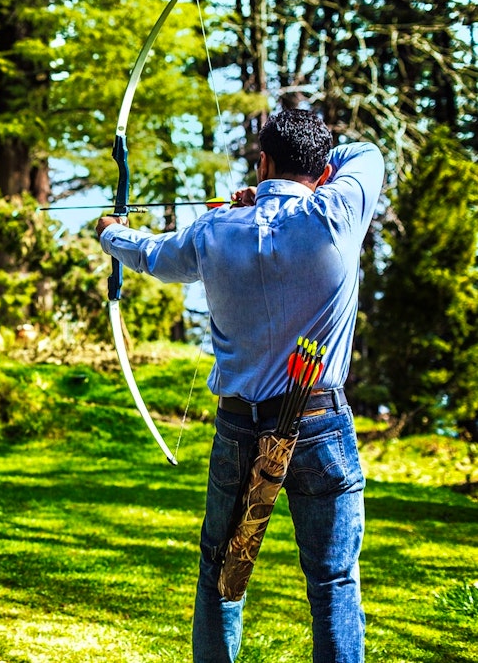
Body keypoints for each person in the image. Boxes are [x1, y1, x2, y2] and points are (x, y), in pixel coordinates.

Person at [95, 108, 384, 663]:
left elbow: (151, 254)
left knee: (219, 572)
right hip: (320, 423)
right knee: (333, 581)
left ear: (263, 161)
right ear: (323, 171)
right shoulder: (338, 211)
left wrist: (111, 234)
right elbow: (364, 153)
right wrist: (291, 187)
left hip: (239, 426)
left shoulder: (214, 229)